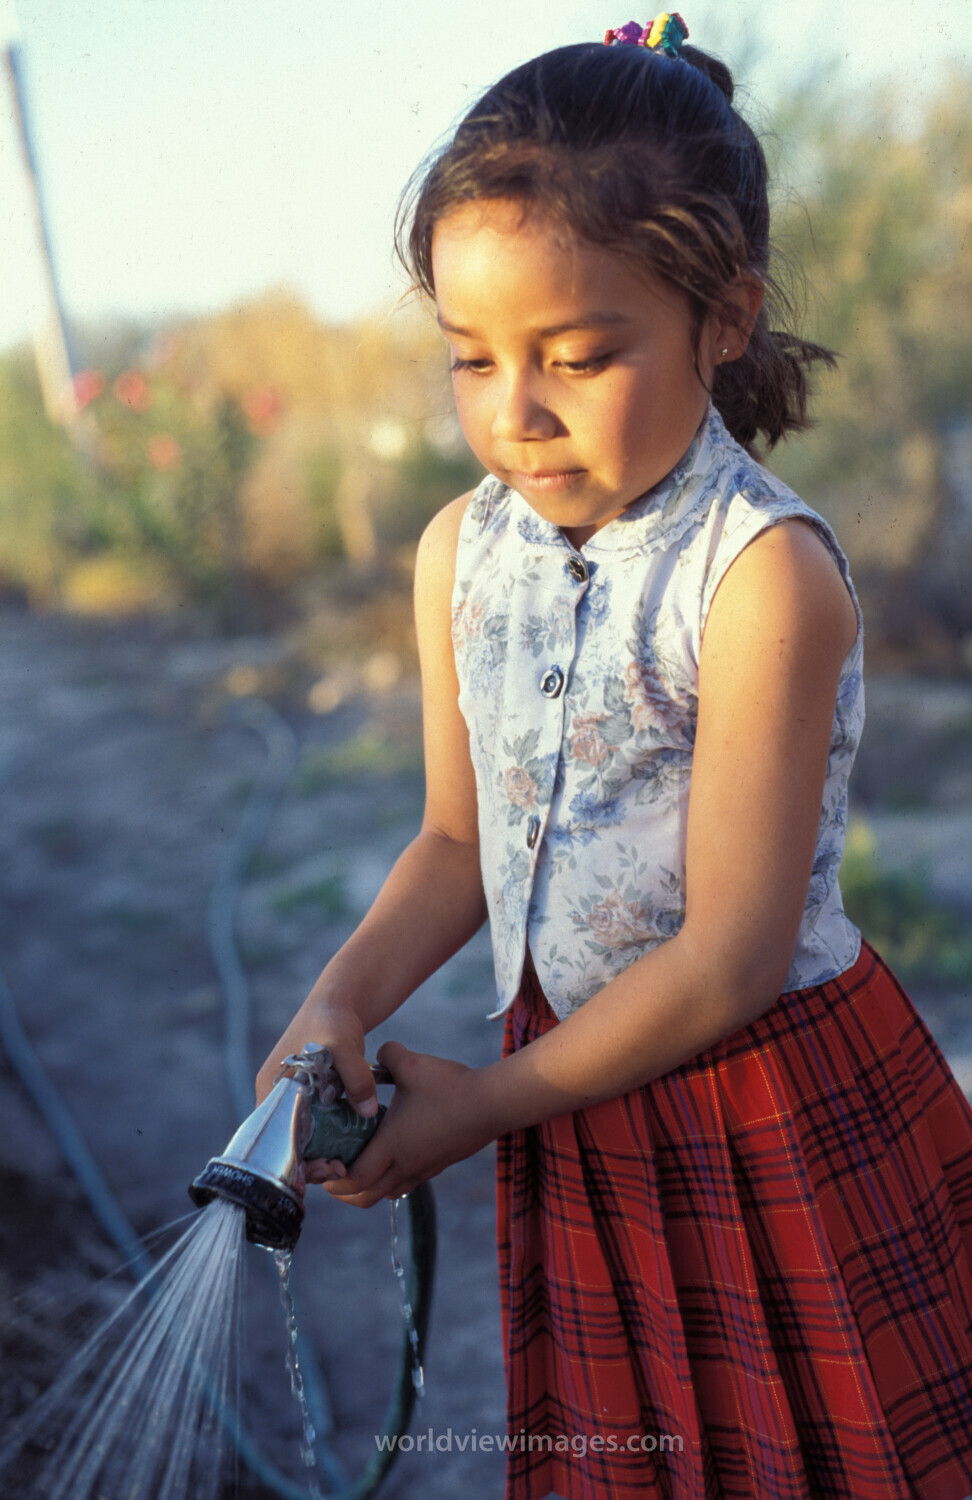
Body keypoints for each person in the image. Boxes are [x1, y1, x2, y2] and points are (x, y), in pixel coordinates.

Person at [257, 16, 972, 1498]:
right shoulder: (461, 553)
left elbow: (726, 960)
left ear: (723, 315)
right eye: (471, 358)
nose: (516, 414)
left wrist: (473, 1110)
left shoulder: (762, 577)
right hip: (575, 1105)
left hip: (758, 1111)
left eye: (579, 357)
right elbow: (461, 844)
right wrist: (340, 999)